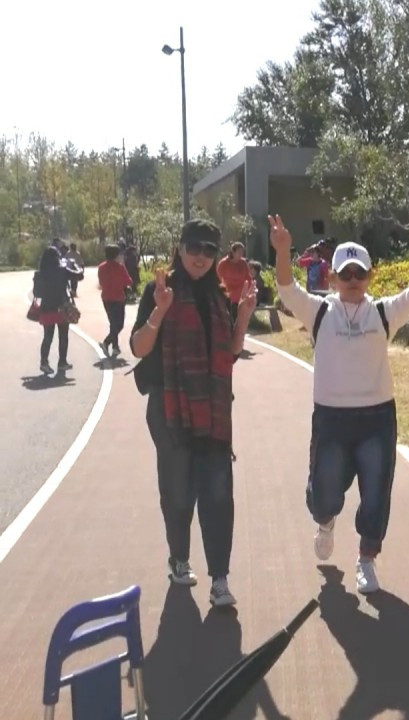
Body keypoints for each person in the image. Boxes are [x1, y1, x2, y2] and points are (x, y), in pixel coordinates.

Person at [269, 214, 409, 594]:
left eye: (359, 273)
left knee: (376, 492)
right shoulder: (319, 312)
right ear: (332, 278)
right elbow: (286, 288)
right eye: (345, 274)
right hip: (332, 419)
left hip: (376, 419)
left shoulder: (382, 313)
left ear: (370, 277)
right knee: (324, 495)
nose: (353, 280)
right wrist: (283, 251)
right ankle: (325, 521)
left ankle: (366, 558)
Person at [130, 219, 256, 607]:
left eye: (209, 250)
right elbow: (138, 348)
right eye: (194, 248)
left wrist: (244, 315)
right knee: (179, 491)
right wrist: (159, 311)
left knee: (218, 492)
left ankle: (220, 578)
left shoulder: (218, 296)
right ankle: (180, 558)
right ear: (180, 249)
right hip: (169, 408)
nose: (200, 257)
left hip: (214, 409)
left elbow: (231, 352)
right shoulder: (159, 290)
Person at [34, 246, 82, 374]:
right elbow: (79, 275)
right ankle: (62, 362)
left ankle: (44, 362)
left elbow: (37, 292)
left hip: (46, 308)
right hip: (61, 307)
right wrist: (73, 265)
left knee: (47, 337)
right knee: (63, 336)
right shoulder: (62, 270)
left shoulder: (41, 272)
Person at [98, 244, 133, 356]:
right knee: (119, 325)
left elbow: (101, 282)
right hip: (118, 298)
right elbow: (129, 281)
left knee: (113, 323)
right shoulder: (120, 267)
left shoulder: (101, 267)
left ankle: (115, 347)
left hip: (106, 298)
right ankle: (107, 342)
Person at [216, 242, 252, 322]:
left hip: (240, 294)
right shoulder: (224, 263)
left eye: (242, 252)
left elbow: (248, 278)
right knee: (228, 316)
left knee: (238, 317)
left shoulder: (243, 263)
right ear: (233, 251)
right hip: (228, 293)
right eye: (239, 252)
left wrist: (250, 290)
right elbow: (217, 278)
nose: (241, 254)